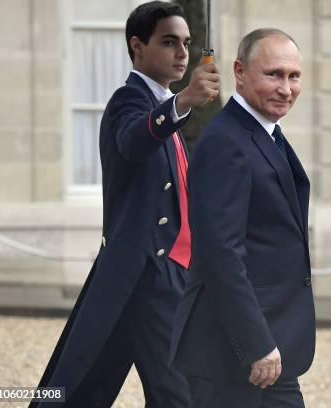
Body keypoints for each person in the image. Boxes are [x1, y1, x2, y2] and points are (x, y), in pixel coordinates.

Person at [31, 2, 219, 407]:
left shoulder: (170, 110)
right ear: (137, 47)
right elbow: (134, 140)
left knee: (86, 389)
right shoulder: (128, 102)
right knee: (172, 394)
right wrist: (184, 101)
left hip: (162, 275)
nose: (182, 53)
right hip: (147, 272)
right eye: (169, 42)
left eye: (186, 43)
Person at [169, 28, 315, 408]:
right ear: (239, 71)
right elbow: (221, 254)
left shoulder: (264, 134)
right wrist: (257, 343)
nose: (286, 88)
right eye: (273, 74)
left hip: (268, 347)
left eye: (293, 76)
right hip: (231, 354)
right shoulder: (226, 141)